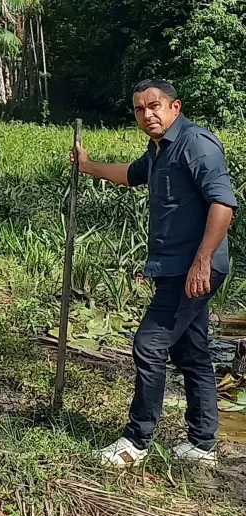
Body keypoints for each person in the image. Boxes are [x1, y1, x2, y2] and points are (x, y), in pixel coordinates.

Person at [72, 79, 238, 467]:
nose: (148, 114)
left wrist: (201, 260)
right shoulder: (159, 149)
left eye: (155, 106)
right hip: (173, 268)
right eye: (140, 109)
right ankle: (202, 444)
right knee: (192, 352)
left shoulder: (196, 143)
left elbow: (223, 204)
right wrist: (87, 165)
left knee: (149, 345)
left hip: (194, 269)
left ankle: (136, 441)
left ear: (174, 107)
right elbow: (131, 174)